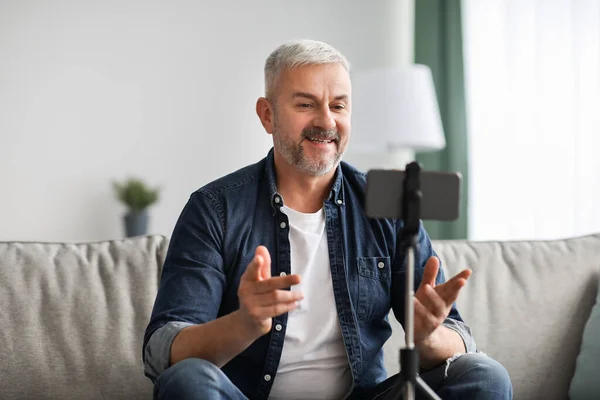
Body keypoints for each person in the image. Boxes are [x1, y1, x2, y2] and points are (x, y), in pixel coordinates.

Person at [143, 39, 512, 400]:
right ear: (267, 114)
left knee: (484, 375)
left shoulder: (388, 204)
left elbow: (456, 338)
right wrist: (245, 323)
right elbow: (164, 350)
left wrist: (428, 335)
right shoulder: (215, 208)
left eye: (338, 106)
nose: (326, 121)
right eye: (306, 104)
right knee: (187, 381)